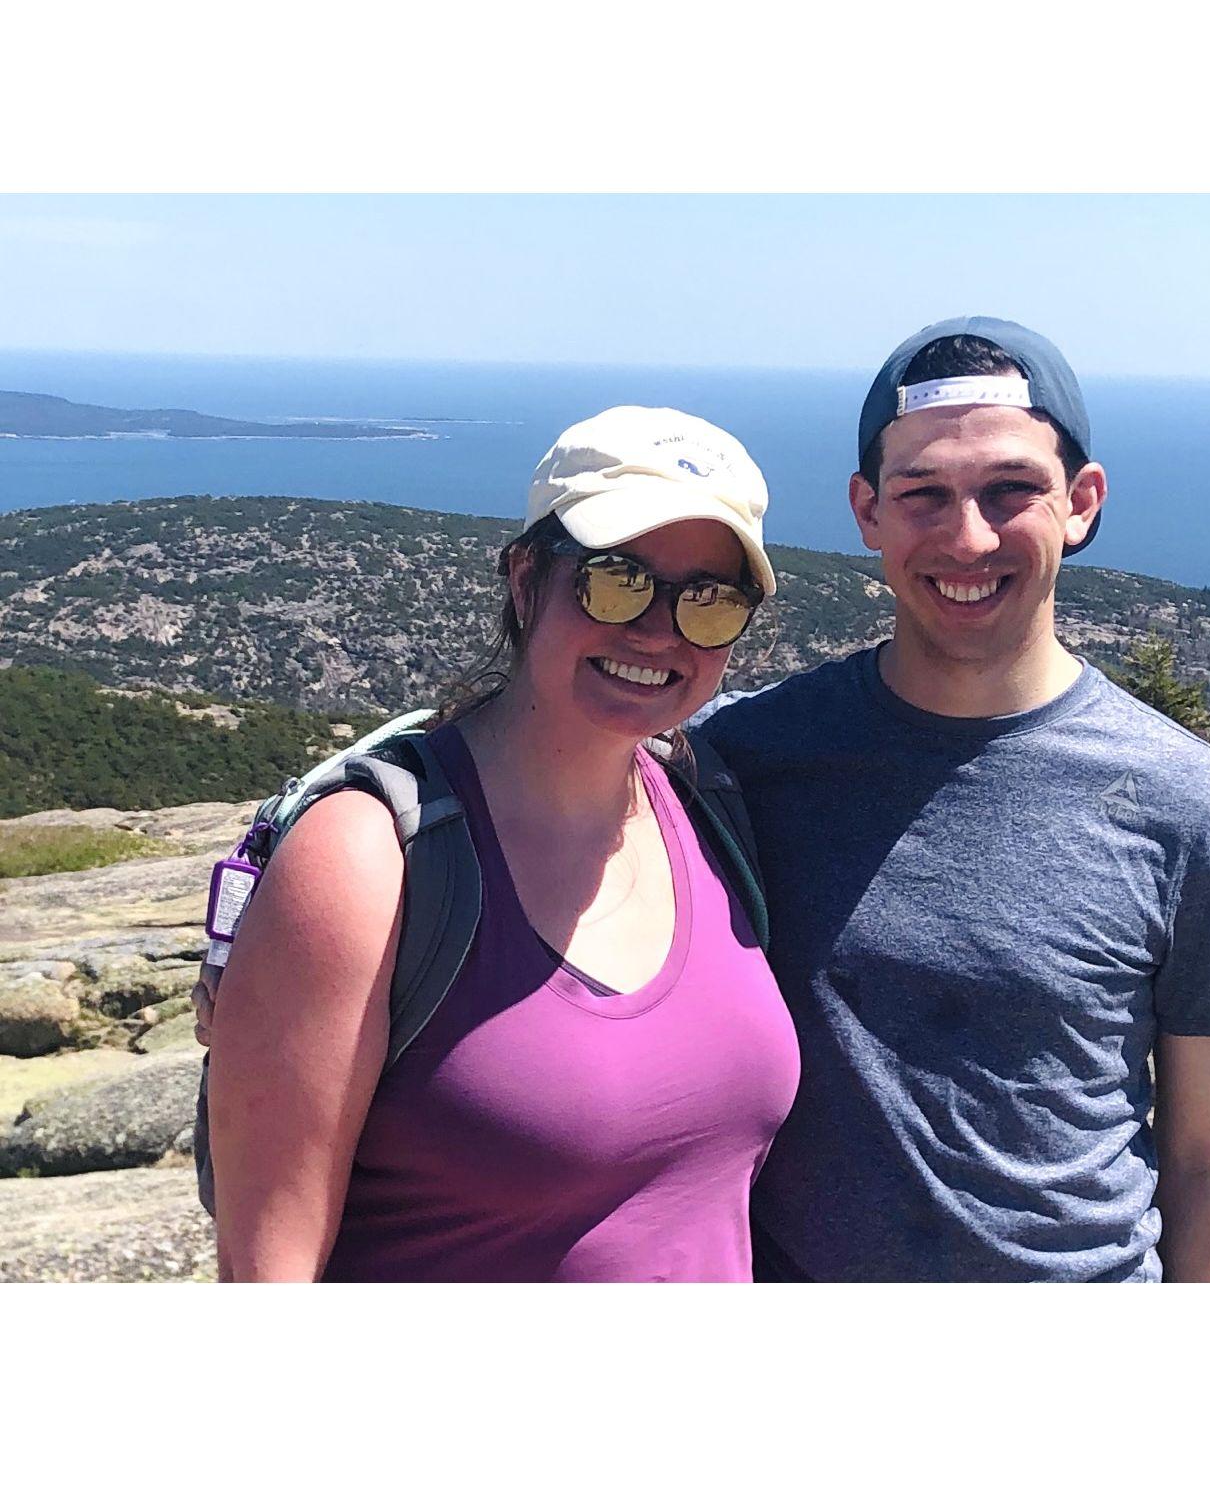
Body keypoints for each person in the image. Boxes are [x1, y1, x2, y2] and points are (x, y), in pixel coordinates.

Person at [695, 316, 1210, 1282]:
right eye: (923, 494)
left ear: (1082, 503)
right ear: (866, 511)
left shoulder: (1188, 805)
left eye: (1012, 491)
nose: (967, 539)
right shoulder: (743, 759)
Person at [204, 406, 800, 1282]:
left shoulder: (710, 810)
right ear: (526, 580)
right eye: (616, 579)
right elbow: (269, 1276)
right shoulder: (370, 859)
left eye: (710, 602)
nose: (658, 631)